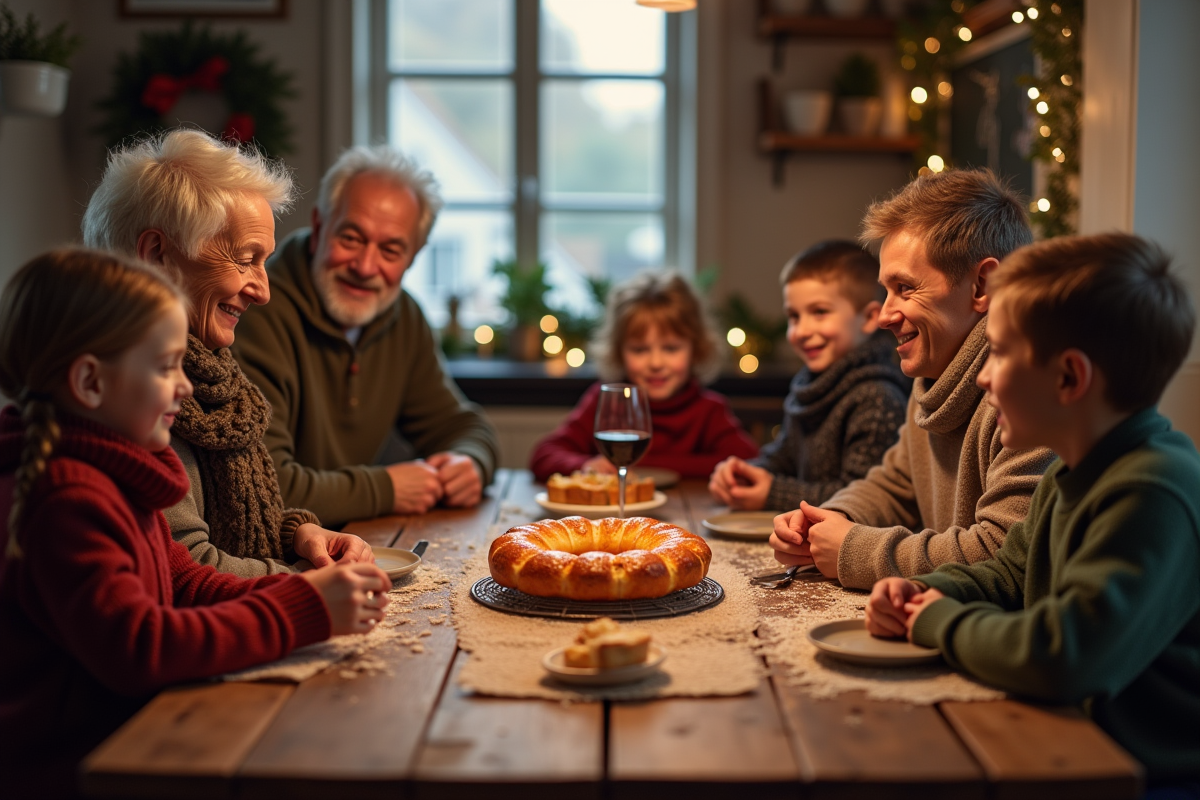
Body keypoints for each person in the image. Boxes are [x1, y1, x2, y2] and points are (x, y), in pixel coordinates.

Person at [0, 249, 391, 799]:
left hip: (132, 745)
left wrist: (304, 586)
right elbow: (138, 647)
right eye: (165, 367)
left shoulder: (111, 474)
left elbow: (183, 581)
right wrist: (302, 610)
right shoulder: (67, 497)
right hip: (82, 771)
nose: (182, 387)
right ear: (90, 382)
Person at [865, 233, 1200, 794]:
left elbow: (1064, 657)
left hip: (1141, 773)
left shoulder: (1152, 490)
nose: (982, 376)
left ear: (1069, 378)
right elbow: (1007, 576)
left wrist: (936, 621)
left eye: (998, 353)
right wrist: (930, 589)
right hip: (1076, 741)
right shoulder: (1074, 470)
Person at [81, 129, 373, 576]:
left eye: (265, 261)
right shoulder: (130, 395)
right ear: (156, 254)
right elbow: (188, 567)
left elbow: (229, 526)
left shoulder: (209, 372)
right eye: (245, 259)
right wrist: (309, 581)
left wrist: (300, 537)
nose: (263, 290)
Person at [770, 169, 1056, 589]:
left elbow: (1004, 553)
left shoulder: (1029, 391)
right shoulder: (936, 373)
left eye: (905, 288)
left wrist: (852, 548)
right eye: (885, 291)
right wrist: (828, 520)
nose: (885, 314)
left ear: (983, 284)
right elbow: (897, 481)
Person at [231, 145, 499, 527]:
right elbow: (263, 486)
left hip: (351, 542)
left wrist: (470, 462)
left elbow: (461, 426)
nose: (365, 266)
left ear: (414, 257)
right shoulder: (256, 309)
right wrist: (386, 488)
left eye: (391, 250)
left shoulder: (403, 314)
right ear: (320, 226)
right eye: (352, 238)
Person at [709, 240, 909, 511]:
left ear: (869, 317)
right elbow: (783, 458)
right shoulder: (810, 383)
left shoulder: (876, 397)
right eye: (794, 316)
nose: (801, 330)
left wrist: (773, 494)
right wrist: (744, 474)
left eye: (819, 312)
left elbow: (864, 499)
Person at [530, 270, 759, 482]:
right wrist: (587, 465)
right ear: (619, 351)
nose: (656, 363)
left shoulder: (709, 410)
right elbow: (543, 455)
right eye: (639, 350)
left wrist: (636, 466)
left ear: (696, 348)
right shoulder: (605, 402)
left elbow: (748, 464)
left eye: (671, 348)